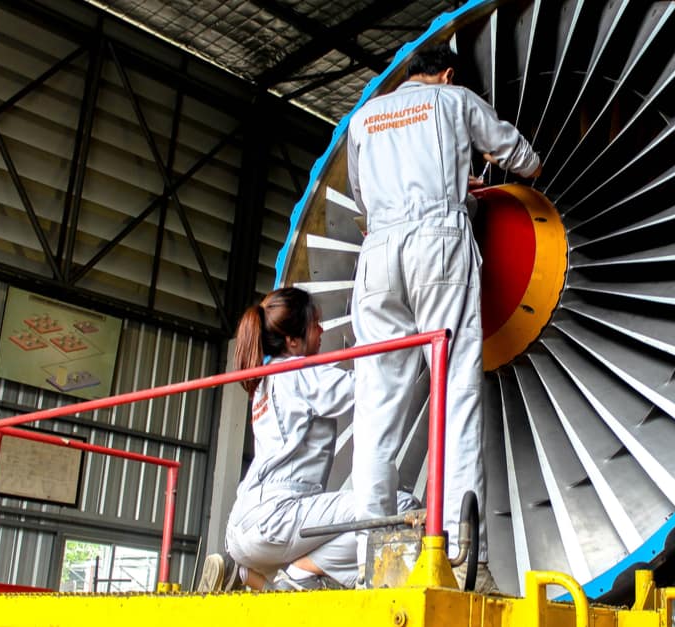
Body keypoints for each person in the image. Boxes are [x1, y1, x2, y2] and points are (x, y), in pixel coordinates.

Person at [346, 45, 542, 592]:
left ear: (407, 74)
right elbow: (522, 157)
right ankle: (459, 557)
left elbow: (364, 199)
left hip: (379, 257)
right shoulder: (454, 100)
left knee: (378, 404)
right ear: (448, 73)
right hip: (439, 247)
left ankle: (372, 560)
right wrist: (472, 191)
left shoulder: (362, 118)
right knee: (454, 390)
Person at [197, 287, 417, 592]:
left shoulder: (265, 378)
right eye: (315, 324)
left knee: (307, 555)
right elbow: (365, 388)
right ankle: (304, 573)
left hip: (240, 527)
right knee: (403, 507)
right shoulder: (297, 371)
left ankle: (244, 574)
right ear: (292, 340)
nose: (322, 330)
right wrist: (408, 346)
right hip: (277, 517)